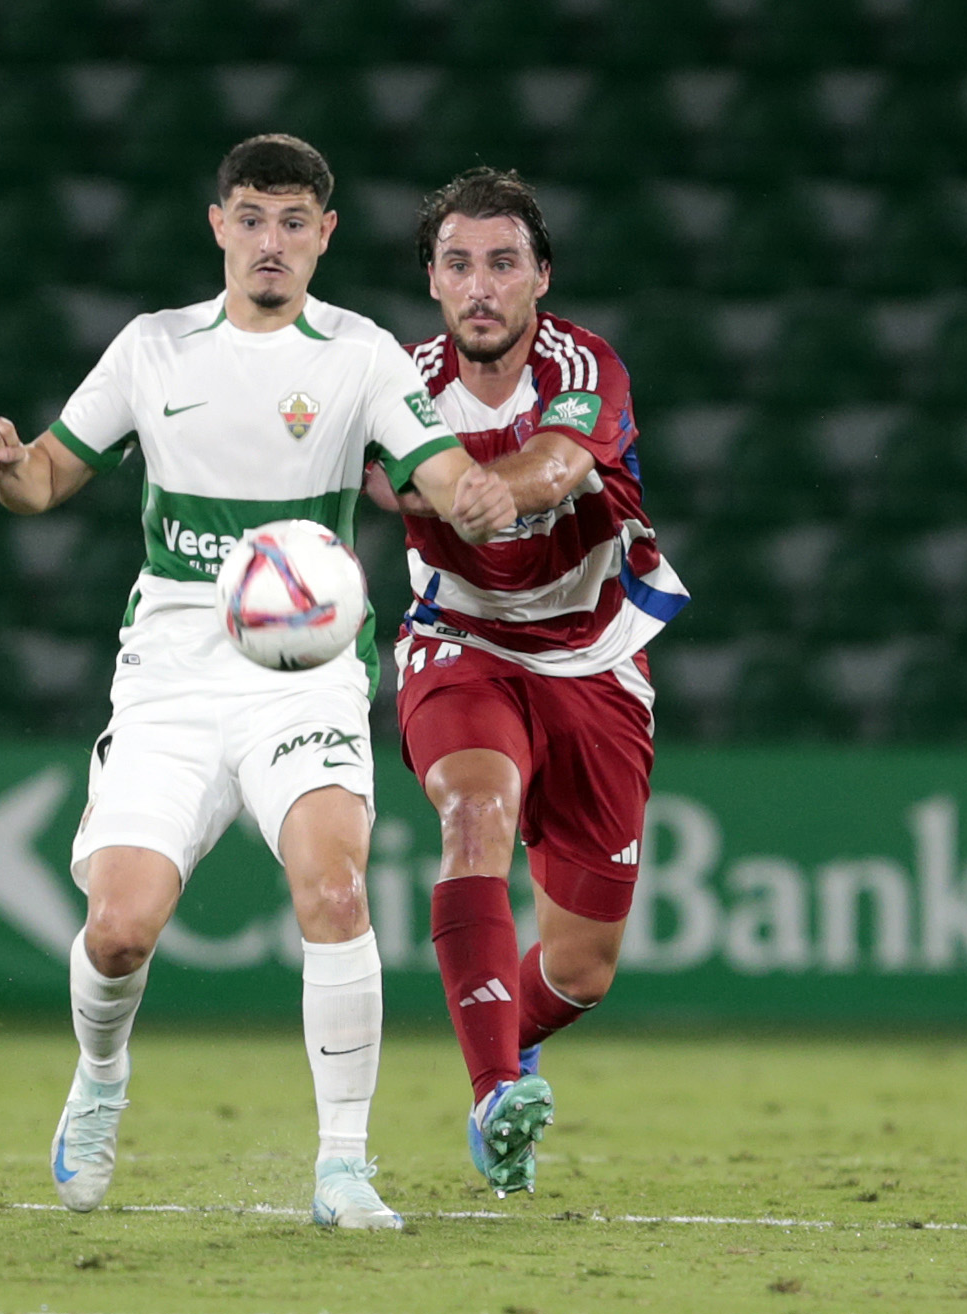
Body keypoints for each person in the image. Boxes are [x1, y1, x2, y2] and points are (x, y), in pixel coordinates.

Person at [0, 135, 516, 1229]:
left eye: (295, 222)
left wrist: (475, 495)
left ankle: (345, 1167)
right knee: (118, 930)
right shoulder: (152, 349)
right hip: (170, 678)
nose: (273, 241)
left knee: (337, 888)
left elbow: (439, 466)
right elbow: (44, 479)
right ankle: (102, 1080)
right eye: (253, 218)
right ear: (218, 224)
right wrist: (0, 466)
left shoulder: (359, 356)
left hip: (303, 680)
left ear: (326, 235)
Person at [365, 167, 688, 1197]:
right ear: (432, 281)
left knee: (584, 970)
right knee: (475, 808)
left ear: (541, 277)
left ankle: (508, 1034)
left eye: (504, 263)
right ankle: (499, 1091)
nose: (482, 285)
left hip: (593, 656)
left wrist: (463, 488)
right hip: (461, 638)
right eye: (458, 263)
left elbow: (555, 464)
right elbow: (341, 468)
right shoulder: (396, 387)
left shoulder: (584, 364)